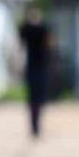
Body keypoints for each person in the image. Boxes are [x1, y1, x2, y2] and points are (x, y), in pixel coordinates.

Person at [19, 7, 50, 138]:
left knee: (34, 98)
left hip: (33, 67)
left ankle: (34, 125)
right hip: (39, 67)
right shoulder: (43, 29)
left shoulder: (27, 29)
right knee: (37, 98)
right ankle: (35, 125)